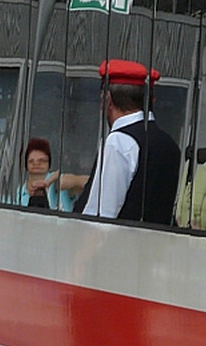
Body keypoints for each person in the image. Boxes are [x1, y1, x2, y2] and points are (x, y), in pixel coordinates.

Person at [73, 59, 181, 224]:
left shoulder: (118, 142)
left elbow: (101, 217)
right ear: (151, 101)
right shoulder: (169, 144)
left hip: (117, 247)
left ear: (107, 99)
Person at [11, 137, 80, 211]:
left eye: (42, 161)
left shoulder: (59, 182)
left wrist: (53, 180)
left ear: (49, 163)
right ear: (26, 165)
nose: (36, 164)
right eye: (32, 161)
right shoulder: (16, 195)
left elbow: (87, 184)